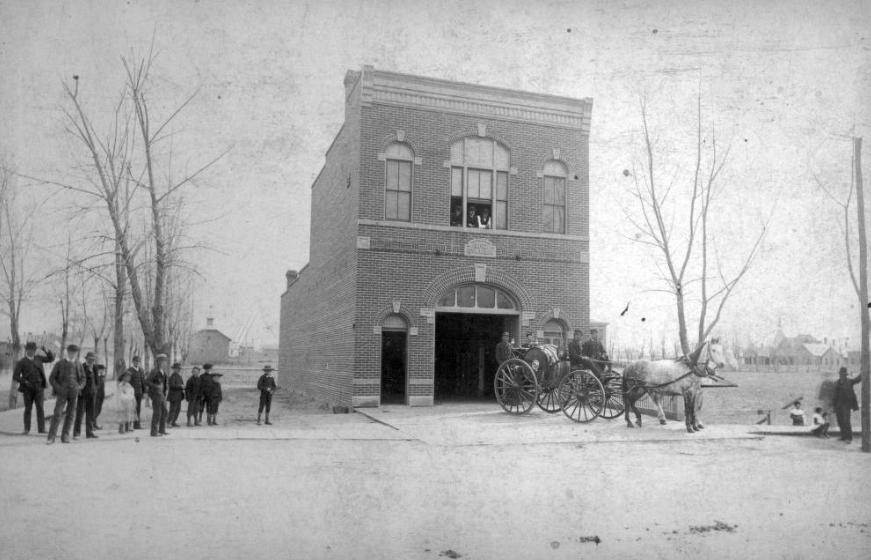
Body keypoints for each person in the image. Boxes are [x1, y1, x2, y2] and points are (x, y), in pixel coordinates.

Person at [12, 341, 55, 435]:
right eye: (29, 350)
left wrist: (45, 349)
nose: (31, 351)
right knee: (28, 408)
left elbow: (51, 358)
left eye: (33, 350)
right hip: (28, 389)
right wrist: (25, 382)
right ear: (26, 350)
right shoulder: (21, 362)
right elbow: (15, 376)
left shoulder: (38, 358)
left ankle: (41, 428)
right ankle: (26, 429)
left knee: (40, 408)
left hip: (39, 388)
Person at [46, 345, 85, 445]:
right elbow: (51, 378)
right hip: (62, 392)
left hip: (74, 392)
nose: (73, 354)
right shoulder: (60, 363)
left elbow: (83, 378)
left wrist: (79, 387)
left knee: (70, 414)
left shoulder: (79, 364)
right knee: (57, 413)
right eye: (71, 352)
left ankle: (65, 436)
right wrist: (59, 388)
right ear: (67, 352)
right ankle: (51, 437)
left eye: (75, 352)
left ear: (76, 353)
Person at [74, 351, 99, 439]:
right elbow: (78, 379)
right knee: (80, 414)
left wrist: (95, 389)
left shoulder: (95, 368)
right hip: (83, 394)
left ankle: (89, 432)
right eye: (89, 359)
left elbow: (97, 381)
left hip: (92, 395)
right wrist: (79, 389)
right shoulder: (82, 367)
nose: (91, 361)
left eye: (93, 359)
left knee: (91, 414)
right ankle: (76, 433)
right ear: (86, 359)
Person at [833, 366, 861, 443]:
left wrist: (863, 371)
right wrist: (834, 406)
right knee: (840, 421)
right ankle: (843, 436)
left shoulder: (850, 381)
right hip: (838, 405)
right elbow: (834, 395)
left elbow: (858, 380)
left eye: (843, 374)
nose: (841, 375)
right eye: (840, 374)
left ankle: (849, 438)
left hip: (846, 405)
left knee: (846, 421)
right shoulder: (837, 383)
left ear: (845, 375)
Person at [145, 353, 170, 437]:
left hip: (162, 395)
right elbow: (147, 381)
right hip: (156, 395)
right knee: (157, 413)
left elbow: (165, 383)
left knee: (164, 412)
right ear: (158, 362)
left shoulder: (164, 372)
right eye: (163, 361)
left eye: (165, 361)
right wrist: (156, 386)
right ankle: (154, 432)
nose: (165, 363)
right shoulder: (154, 371)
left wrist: (165, 390)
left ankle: (162, 430)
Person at [126, 356, 147, 430]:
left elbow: (143, 382)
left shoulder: (141, 370)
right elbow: (126, 381)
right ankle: (128, 426)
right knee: (130, 409)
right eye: (135, 361)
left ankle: (137, 425)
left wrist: (144, 392)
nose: (137, 363)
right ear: (133, 362)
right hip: (131, 393)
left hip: (139, 393)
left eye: (138, 362)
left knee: (138, 409)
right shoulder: (129, 370)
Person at [167, 362, 185, 428]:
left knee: (178, 409)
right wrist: (181, 386)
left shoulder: (178, 376)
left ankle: (173, 422)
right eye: (177, 369)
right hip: (173, 396)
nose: (178, 370)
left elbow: (181, 384)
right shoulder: (172, 376)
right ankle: (169, 422)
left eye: (179, 369)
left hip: (178, 396)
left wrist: (183, 386)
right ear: (174, 369)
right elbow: (172, 385)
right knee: (173, 410)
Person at [93, 364, 107, 430]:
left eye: (103, 369)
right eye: (102, 369)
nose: (103, 371)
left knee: (98, 410)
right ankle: (92, 425)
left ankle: (94, 424)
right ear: (98, 369)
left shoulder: (102, 376)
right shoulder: (95, 376)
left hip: (101, 395)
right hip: (96, 396)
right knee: (95, 410)